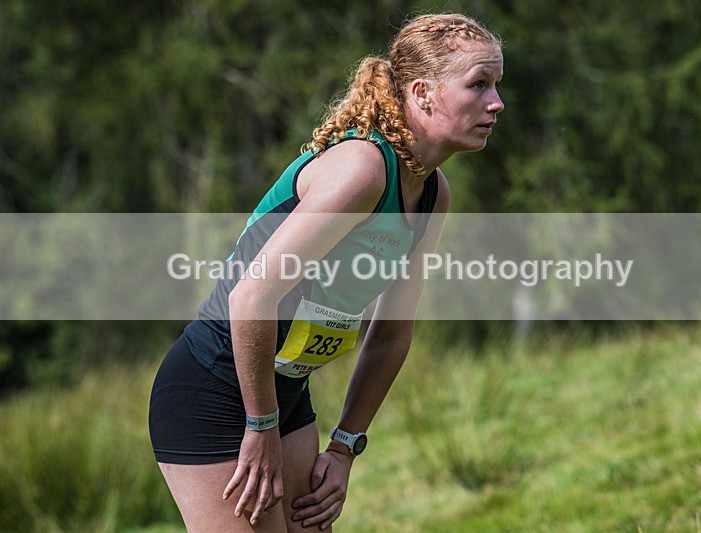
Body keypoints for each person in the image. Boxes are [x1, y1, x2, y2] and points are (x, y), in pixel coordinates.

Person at [149, 12, 504, 532]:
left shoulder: (432, 192)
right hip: (213, 392)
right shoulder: (361, 169)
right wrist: (260, 423)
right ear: (423, 93)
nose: (496, 103)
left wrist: (345, 448)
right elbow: (250, 299)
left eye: (496, 85)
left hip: (284, 397)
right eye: (479, 85)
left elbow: (390, 335)